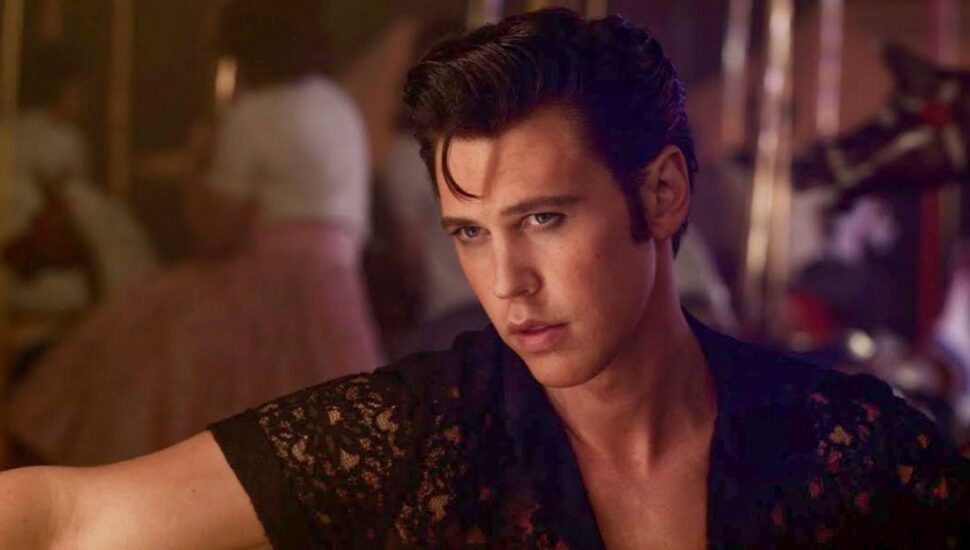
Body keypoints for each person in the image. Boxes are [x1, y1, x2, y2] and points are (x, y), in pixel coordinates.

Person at [1, 8, 968, 548]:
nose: (505, 282)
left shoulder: (851, 448)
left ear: (663, 193)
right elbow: (69, 518)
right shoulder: (423, 432)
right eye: (468, 232)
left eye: (544, 219)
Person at [6, 0, 382, 466]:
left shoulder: (255, 112)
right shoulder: (339, 106)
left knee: (136, 339)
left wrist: (196, 162)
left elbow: (217, 231)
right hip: (337, 288)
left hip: (264, 280)